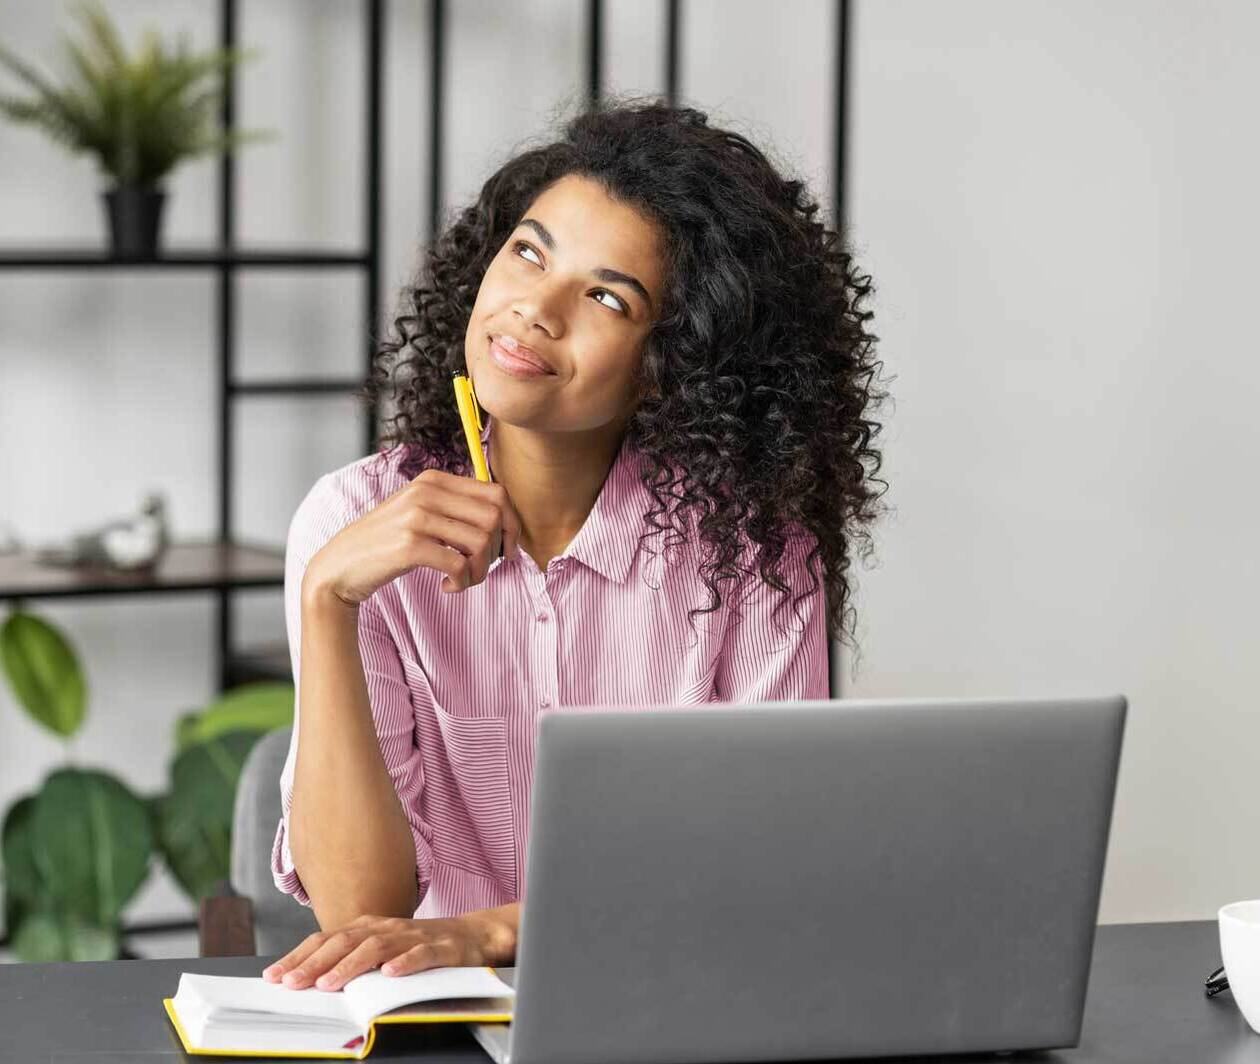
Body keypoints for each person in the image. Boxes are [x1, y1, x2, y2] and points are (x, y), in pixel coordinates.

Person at [260, 96, 889, 992]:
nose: (535, 310)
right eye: (527, 251)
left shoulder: (752, 554)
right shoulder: (353, 520)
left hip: (678, 1009)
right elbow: (363, 917)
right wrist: (328, 599)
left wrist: (486, 932)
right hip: (437, 1027)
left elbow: (759, 876)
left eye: (605, 295)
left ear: (677, 359)